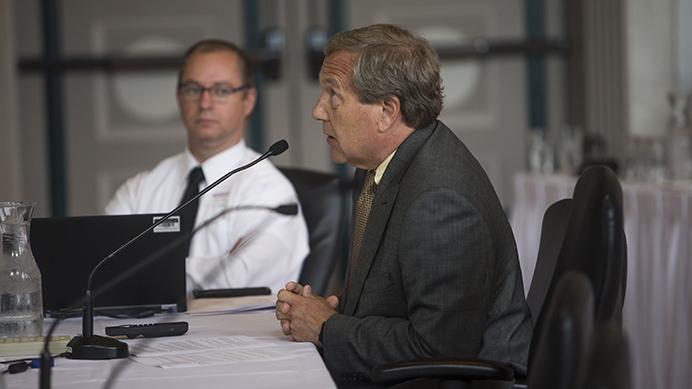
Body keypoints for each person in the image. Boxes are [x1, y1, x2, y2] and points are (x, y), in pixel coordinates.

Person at [275, 24, 532, 380]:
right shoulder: (380, 164)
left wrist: (326, 328)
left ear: (387, 111)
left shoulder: (440, 203)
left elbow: (437, 352)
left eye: (334, 95)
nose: (318, 110)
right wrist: (324, 313)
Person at [106, 39, 309, 294]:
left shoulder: (272, 193)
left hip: (237, 333)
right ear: (178, 97)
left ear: (248, 100)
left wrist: (141, 271)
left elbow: (241, 280)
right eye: (193, 89)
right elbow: (103, 269)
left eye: (221, 90)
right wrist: (217, 264)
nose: (205, 103)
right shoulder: (140, 188)